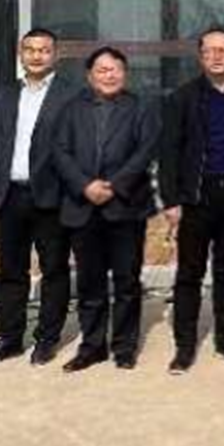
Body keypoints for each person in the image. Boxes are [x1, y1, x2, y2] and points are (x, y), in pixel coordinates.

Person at [0, 28, 80, 367]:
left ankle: (47, 339)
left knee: (54, 270)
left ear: (55, 55)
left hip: (52, 197)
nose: (36, 55)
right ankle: (9, 339)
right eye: (30, 49)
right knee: (11, 272)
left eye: (44, 50)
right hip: (8, 196)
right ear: (21, 54)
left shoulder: (72, 94)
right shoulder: (4, 95)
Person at [52, 46, 161, 372]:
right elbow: (60, 152)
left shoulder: (141, 107)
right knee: (90, 282)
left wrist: (113, 186)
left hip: (126, 206)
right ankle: (92, 346)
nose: (108, 75)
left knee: (127, 281)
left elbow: (145, 151)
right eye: (101, 70)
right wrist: (85, 186)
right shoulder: (72, 109)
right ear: (90, 76)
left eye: (115, 69)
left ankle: (124, 347)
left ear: (124, 74)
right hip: (82, 206)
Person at [157, 27, 224, 372]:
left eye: (223, 50)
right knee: (189, 273)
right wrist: (171, 200)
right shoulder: (182, 98)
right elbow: (169, 152)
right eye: (209, 51)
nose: (216, 57)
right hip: (195, 199)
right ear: (200, 56)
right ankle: (184, 346)